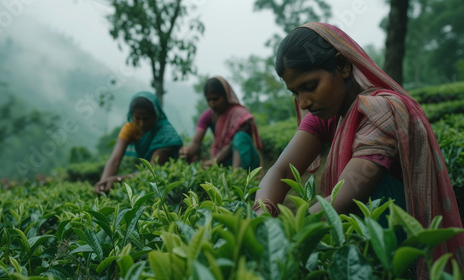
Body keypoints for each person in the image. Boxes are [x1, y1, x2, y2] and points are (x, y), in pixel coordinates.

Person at [253, 22, 463, 277]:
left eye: (310, 86)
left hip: (398, 247)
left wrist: (284, 236)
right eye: (295, 92)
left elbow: (344, 196)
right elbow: (282, 169)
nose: (304, 102)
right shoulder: (327, 110)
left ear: (342, 66)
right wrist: (261, 218)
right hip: (365, 244)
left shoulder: (381, 111)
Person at [95, 91, 183, 194]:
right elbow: (114, 160)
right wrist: (103, 184)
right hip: (144, 176)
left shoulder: (164, 133)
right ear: (132, 116)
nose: (141, 124)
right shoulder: (130, 128)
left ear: (155, 116)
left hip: (168, 179)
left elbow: (153, 171)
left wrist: (119, 179)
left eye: (146, 119)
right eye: (137, 118)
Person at [179, 76, 263, 170]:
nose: (212, 104)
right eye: (208, 100)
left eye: (215, 99)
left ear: (226, 96)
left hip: (247, 162)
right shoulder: (208, 116)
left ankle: (236, 176)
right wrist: (187, 151)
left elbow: (232, 144)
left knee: (240, 137)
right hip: (225, 161)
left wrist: (214, 161)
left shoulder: (239, 115)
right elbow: (195, 142)